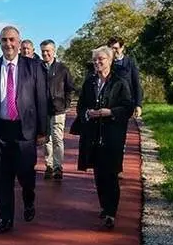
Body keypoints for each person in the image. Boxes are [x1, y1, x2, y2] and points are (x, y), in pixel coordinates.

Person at [0, 26, 48, 234]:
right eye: (4, 40)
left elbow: (41, 100)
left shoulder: (33, 66)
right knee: (1, 176)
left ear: (19, 42)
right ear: (0, 43)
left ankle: (29, 201)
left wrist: (42, 131)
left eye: (12, 40)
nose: (8, 44)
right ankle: (5, 217)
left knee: (26, 173)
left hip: (24, 130)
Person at [73, 46, 134, 230]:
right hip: (93, 134)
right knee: (98, 173)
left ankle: (111, 212)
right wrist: (87, 113)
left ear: (110, 60)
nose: (98, 63)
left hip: (112, 134)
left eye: (101, 59)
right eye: (95, 60)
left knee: (111, 173)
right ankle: (104, 205)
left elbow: (127, 107)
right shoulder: (89, 82)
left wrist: (110, 112)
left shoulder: (120, 82)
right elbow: (81, 105)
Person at [39, 39, 75, 180]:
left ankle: (58, 167)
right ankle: (48, 165)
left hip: (58, 109)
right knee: (46, 139)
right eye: (43, 51)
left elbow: (69, 88)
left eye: (48, 51)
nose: (45, 54)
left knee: (57, 138)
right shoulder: (38, 67)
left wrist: (66, 104)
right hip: (43, 109)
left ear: (54, 51)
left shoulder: (62, 68)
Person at [107, 36, 143, 118]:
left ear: (122, 48)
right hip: (108, 104)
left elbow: (136, 84)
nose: (113, 51)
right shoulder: (105, 63)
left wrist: (138, 105)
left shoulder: (130, 62)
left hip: (125, 103)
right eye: (111, 48)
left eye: (116, 48)